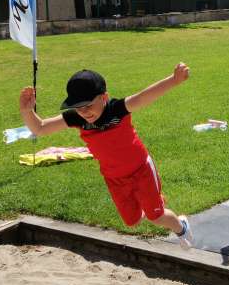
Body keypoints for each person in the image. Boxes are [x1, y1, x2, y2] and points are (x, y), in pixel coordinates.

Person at [19, 65, 194, 248]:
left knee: (156, 216)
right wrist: (27, 111)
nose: (84, 112)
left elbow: (142, 97)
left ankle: (181, 226)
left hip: (141, 169)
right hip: (114, 178)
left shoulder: (116, 110)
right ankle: (152, 201)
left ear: (104, 97)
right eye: (78, 107)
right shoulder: (77, 118)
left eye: (88, 105)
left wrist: (174, 80)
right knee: (132, 221)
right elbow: (40, 128)